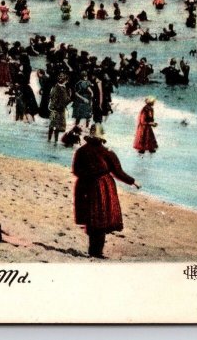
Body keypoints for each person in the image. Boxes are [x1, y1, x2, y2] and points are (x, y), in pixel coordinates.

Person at [72, 124, 140, 258]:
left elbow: (76, 171)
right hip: (103, 187)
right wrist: (133, 181)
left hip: (85, 186)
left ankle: (93, 251)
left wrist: (88, 176)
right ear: (102, 138)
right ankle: (97, 252)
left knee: (92, 220)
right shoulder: (107, 152)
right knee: (101, 219)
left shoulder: (81, 151)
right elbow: (118, 172)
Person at [47, 73, 72, 144]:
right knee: (57, 126)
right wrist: (69, 96)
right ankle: (56, 140)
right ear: (65, 81)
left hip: (52, 108)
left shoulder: (54, 87)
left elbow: (51, 96)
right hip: (60, 109)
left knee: (52, 124)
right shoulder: (63, 89)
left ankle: (49, 139)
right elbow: (65, 100)